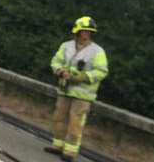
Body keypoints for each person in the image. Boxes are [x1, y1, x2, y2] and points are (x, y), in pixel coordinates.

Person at [44, 16, 109, 162]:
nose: (86, 34)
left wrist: (83, 77)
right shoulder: (66, 46)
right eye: (84, 31)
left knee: (75, 124)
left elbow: (102, 71)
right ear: (77, 31)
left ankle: (70, 152)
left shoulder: (98, 51)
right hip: (65, 90)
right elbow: (55, 61)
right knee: (59, 118)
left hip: (83, 95)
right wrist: (60, 71)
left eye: (89, 31)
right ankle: (58, 145)